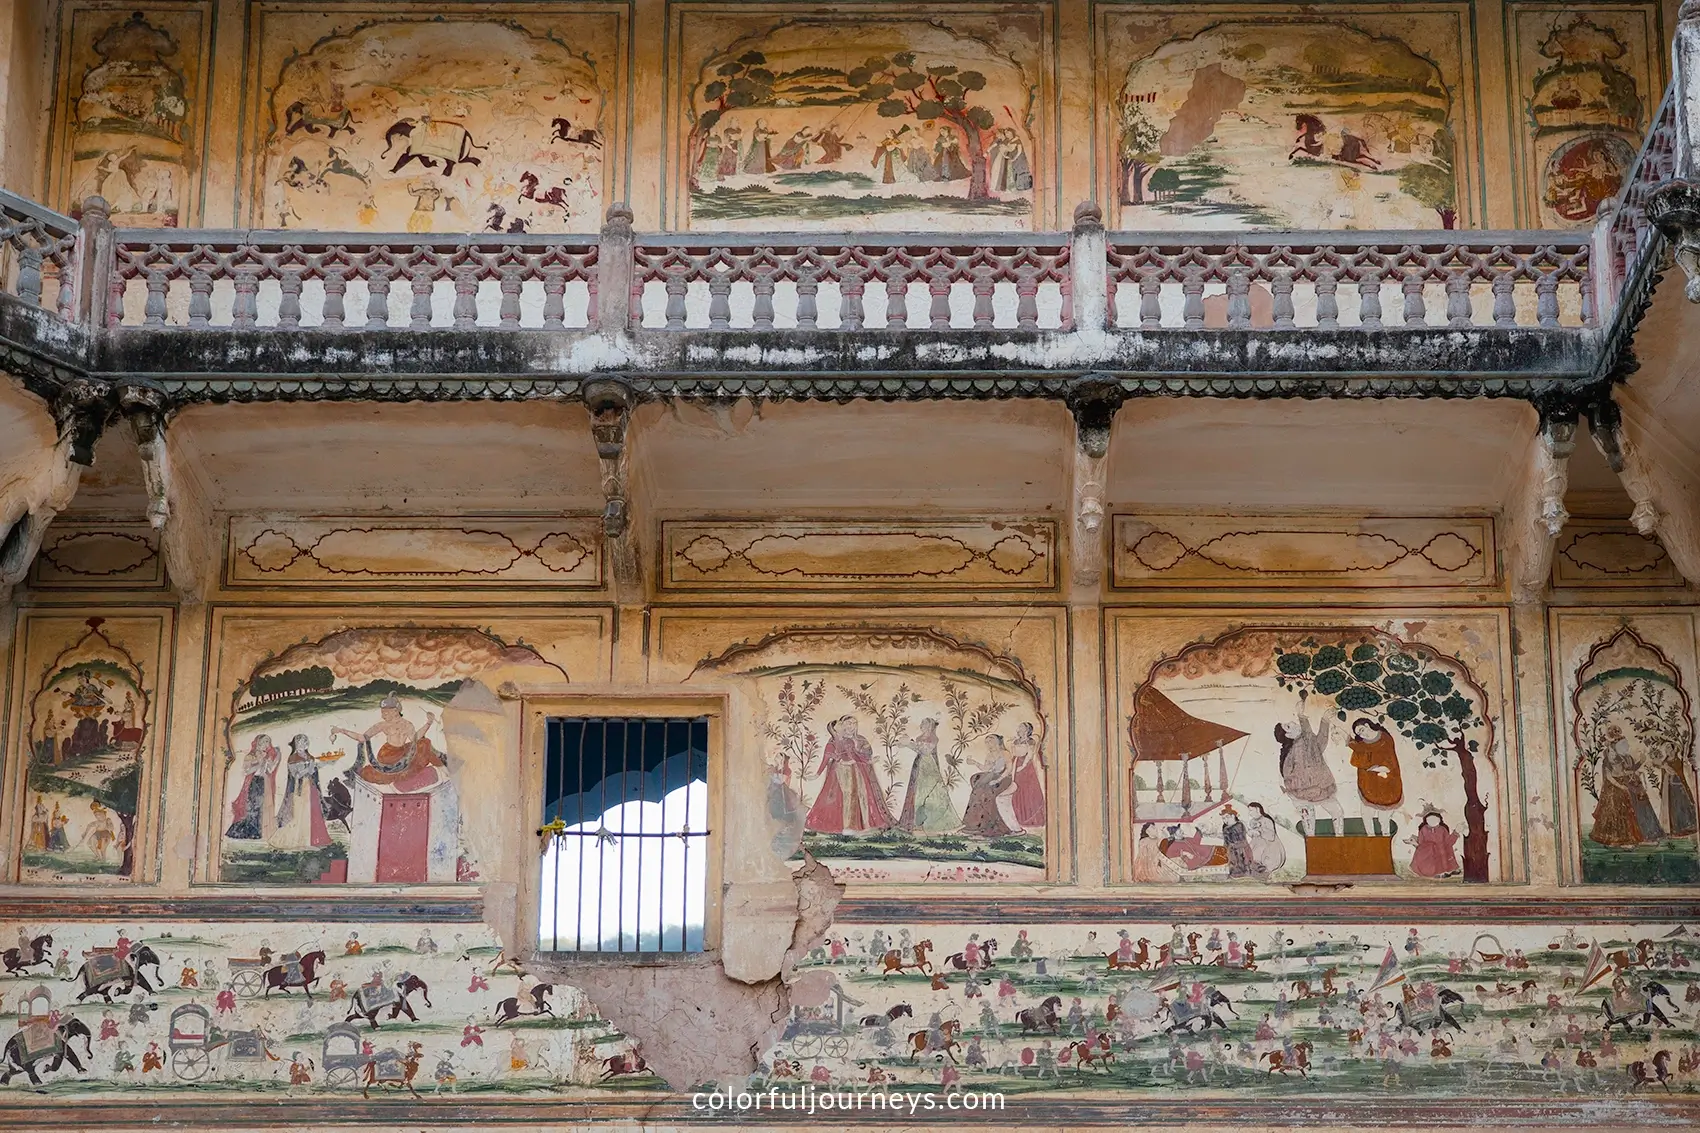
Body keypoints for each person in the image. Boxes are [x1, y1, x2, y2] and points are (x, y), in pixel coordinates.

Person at [330, 696, 446, 791]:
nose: (382, 715)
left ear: (395, 711)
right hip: (387, 755)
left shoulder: (408, 725)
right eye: (382, 713)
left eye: (385, 713)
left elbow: (415, 739)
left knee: (424, 743)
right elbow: (362, 737)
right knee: (373, 774)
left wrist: (428, 723)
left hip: (402, 753)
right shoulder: (383, 725)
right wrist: (342, 731)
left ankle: (445, 771)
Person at [805, 715, 893, 833]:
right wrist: (817, 774)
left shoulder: (852, 741)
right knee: (848, 796)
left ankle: (865, 824)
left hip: (857, 770)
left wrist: (868, 761)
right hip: (842, 772)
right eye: (846, 724)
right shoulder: (832, 743)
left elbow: (856, 756)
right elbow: (827, 758)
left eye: (854, 723)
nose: (850, 726)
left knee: (862, 794)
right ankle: (848, 826)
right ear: (835, 729)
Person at [1275, 696, 1344, 824]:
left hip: (1312, 790)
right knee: (1329, 814)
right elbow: (1314, 741)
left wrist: (1323, 720)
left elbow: (1318, 744)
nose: (1292, 723)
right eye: (1288, 726)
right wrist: (1302, 715)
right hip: (1306, 791)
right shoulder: (1299, 746)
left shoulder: (1302, 742)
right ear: (1288, 735)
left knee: (1334, 813)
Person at [1591, 725, 1662, 846]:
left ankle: (1646, 835)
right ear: (1618, 746)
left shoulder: (1628, 757)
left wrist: (1640, 762)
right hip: (1617, 787)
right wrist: (1623, 784)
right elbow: (1611, 775)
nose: (1627, 746)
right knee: (1625, 807)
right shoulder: (1611, 758)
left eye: (1626, 744)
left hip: (1631, 784)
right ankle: (1626, 839)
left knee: (1642, 804)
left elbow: (1631, 769)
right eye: (1624, 745)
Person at [896, 718, 956, 833]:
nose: (922, 725)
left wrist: (908, 743)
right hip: (919, 764)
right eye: (922, 723)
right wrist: (905, 744)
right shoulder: (919, 738)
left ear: (930, 726)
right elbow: (917, 749)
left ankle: (929, 824)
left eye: (925, 724)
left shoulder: (933, 738)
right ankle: (915, 823)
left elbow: (926, 751)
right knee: (916, 792)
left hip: (928, 767)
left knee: (928, 793)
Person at [275, 734, 332, 850]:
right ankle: (301, 840)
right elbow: (296, 775)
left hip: (311, 787)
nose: (301, 745)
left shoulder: (310, 757)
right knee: (301, 813)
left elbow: (313, 770)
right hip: (300, 789)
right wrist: (309, 768)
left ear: (307, 745)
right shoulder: (292, 758)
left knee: (313, 812)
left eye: (304, 743)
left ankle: (315, 840)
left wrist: (325, 764)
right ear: (295, 745)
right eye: (299, 743)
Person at [226, 734, 282, 840]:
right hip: (254, 782)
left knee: (262, 807)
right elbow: (245, 771)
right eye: (264, 742)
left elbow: (270, 770)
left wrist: (277, 758)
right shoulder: (251, 756)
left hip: (264, 782)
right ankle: (251, 831)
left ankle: (260, 831)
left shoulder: (266, 755)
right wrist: (259, 763)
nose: (266, 745)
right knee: (253, 807)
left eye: (268, 742)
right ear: (258, 743)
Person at [960, 734, 1017, 838]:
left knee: (987, 793)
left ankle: (991, 826)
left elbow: (1009, 769)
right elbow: (986, 769)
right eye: (986, 742)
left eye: (991, 741)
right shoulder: (989, 755)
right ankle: (975, 824)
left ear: (997, 742)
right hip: (992, 777)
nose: (988, 744)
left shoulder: (1005, 753)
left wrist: (998, 780)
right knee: (977, 792)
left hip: (1004, 779)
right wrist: (974, 763)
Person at [1347, 718, 1404, 810]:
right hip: (1368, 783)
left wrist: (1374, 768)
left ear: (1367, 725)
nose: (1362, 734)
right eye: (1359, 734)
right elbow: (1358, 752)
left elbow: (1390, 763)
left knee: (1384, 813)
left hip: (1386, 782)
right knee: (1367, 811)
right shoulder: (1362, 743)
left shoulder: (1385, 739)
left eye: (1362, 730)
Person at [1655, 743, 1698, 838]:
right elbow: (1663, 776)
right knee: (1673, 808)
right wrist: (1661, 789)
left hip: (1678, 787)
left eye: (1669, 748)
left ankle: (1686, 827)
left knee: (1681, 806)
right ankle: (1675, 829)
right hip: (1670, 789)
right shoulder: (1665, 761)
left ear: (1673, 749)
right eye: (1666, 749)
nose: (1668, 750)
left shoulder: (1677, 760)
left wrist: (1666, 767)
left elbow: (1676, 772)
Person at [1407, 806, 1461, 878]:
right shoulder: (1423, 829)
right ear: (1426, 820)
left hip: (1442, 852)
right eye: (1430, 819)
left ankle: (1449, 870)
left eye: (1435, 819)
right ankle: (1436, 873)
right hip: (1429, 853)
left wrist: (1455, 833)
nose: (1432, 821)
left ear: (1439, 820)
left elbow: (1449, 842)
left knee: (1446, 850)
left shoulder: (1443, 829)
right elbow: (1421, 843)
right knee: (1430, 854)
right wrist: (1417, 844)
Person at [1010, 722, 1046, 828]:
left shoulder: (1030, 741)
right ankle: (1019, 818)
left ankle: (1030, 818)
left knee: (1027, 789)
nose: (1019, 729)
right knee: (1017, 789)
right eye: (1019, 727)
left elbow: (1030, 755)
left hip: (1026, 766)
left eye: (1022, 727)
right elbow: (1014, 753)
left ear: (1027, 730)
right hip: (1016, 763)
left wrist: (1023, 766)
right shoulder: (1016, 741)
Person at [1245, 801, 1286, 878]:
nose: (1250, 813)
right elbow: (1253, 835)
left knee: (1263, 859)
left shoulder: (1267, 820)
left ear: (1258, 809)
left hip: (1269, 846)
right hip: (1257, 844)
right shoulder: (1253, 821)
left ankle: (1264, 872)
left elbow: (1271, 836)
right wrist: (1251, 832)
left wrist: (1260, 831)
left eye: (1251, 810)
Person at [1221, 805, 1253, 878]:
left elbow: (1243, 841)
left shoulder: (1239, 825)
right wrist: (1225, 849)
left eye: (1227, 817)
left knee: (1242, 864)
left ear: (1233, 816)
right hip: (1230, 850)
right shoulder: (1225, 827)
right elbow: (1226, 841)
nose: (1225, 820)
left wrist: (1233, 846)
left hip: (1241, 849)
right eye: (1223, 818)